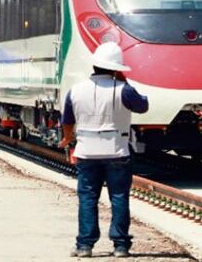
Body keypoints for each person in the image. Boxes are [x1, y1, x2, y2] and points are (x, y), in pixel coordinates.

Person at [58, 43, 148, 258]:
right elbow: (142, 106)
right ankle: (120, 245)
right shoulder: (124, 90)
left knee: (87, 198)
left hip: (87, 152)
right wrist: (125, 82)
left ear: (95, 66)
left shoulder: (76, 91)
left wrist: (68, 139)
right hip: (117, 151)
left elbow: (68, 120)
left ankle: (85, 245)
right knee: (118, 197)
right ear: (117, 68)